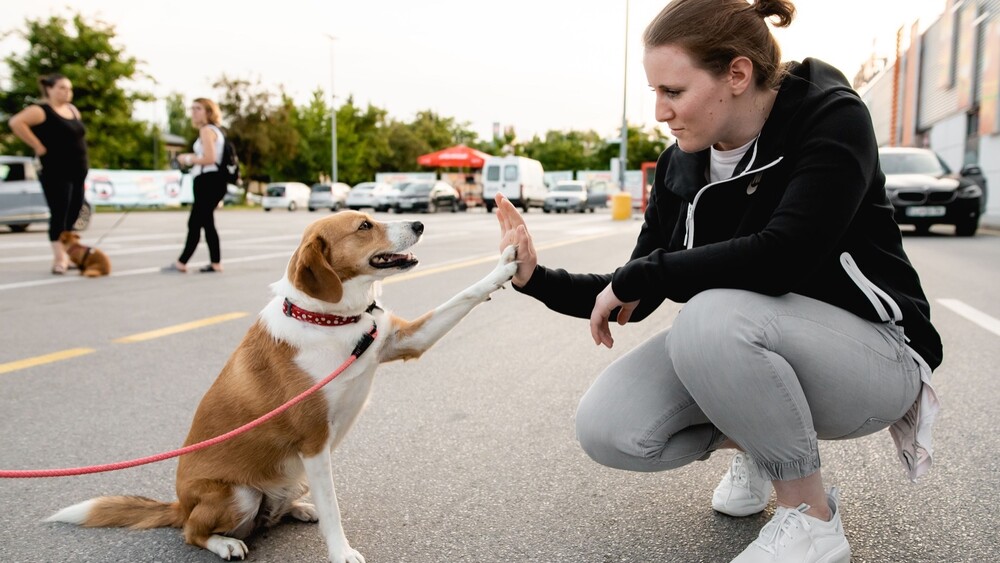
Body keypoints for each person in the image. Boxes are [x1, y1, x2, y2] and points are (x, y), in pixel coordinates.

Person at [495, 1, 942, 562]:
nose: (660, 111)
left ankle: (812, 521)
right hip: (753, 341)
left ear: (737, 73)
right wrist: (534, 277)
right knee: (608, 426)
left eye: (674, 92)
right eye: (654, 92)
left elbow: (786, 256)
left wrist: (644, 274)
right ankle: (764, 444)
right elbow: (632, 291)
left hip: (875, 357)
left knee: (710, 317)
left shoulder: (830, 118)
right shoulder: (681, 164)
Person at [8, 73, 89, 274]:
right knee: (59, 212)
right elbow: (16, 123)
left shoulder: (72, 110)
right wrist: (38, 146)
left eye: (69, 88)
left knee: (74, 210)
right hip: (55, 170)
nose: (66, 92)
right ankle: (59, 258)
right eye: (61, 87)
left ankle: (69, 252)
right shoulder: (41, 110)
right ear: (50, 89)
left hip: (77, 169)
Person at [162, 98, 227, 273]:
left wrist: (187, 158)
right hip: (211, 181)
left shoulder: (207, 130)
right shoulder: (214, 131)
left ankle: (182, 262)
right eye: (192, 108)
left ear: (208, 111)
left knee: (195, 222)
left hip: (208, 181)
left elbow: (210, 158)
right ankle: (215, 263)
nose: (194, 112)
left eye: (198, 108)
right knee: (206, 223)